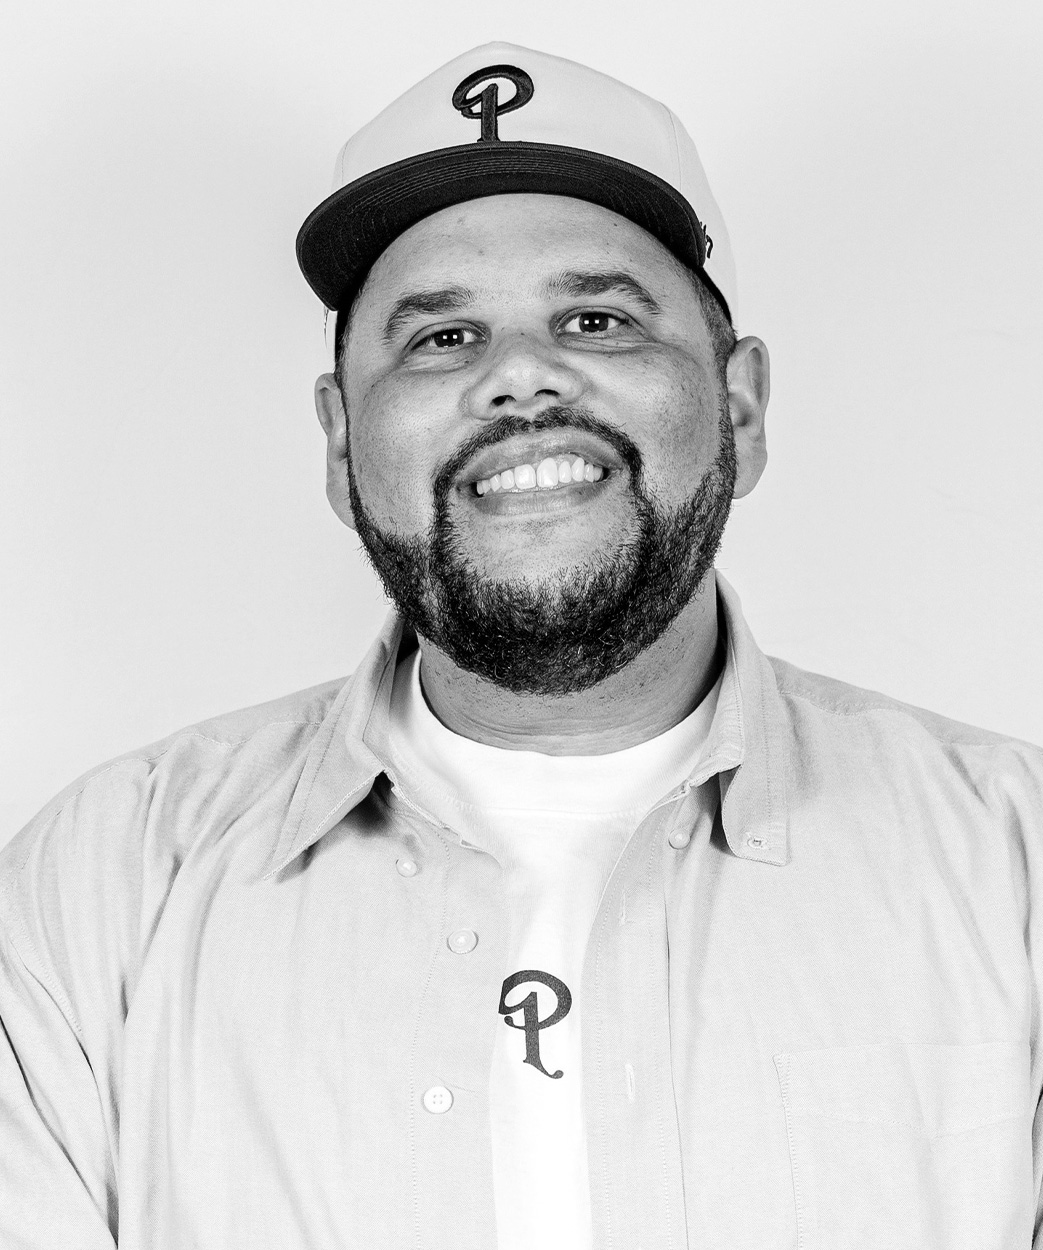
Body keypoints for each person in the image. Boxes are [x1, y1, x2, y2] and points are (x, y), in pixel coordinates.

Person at [2, 39, 1041, 1250]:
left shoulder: (1011, 863)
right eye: (440, 338)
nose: (522, 377)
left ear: (740, 407)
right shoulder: (101, 889)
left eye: (596, 319)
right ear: (339, 444)